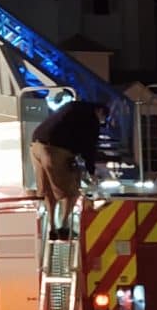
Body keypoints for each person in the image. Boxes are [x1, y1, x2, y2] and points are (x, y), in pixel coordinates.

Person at [30, 100, 109, 240]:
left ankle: (52, 228)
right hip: (56, 149)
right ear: (100, 112)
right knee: (72, 191)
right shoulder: (91, 118)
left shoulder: (72, 107)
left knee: (48, 191)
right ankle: (64, 227)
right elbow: (89, 147)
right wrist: (91, 171)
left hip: (36, 146)